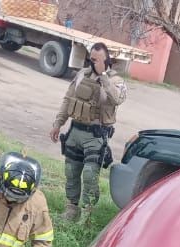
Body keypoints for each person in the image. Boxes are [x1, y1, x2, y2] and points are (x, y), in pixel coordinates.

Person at [50, 42, 127, 221]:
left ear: (107, 59)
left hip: (95, 135)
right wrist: (58, 123)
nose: (93, 62)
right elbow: (68, 99)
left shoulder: (116, 81)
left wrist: (104, 77)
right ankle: (71, 209)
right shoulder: (82, 74)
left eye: (98, 59)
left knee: (90, 175)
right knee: (71, 171)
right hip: (75, 131)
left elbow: (117, 99)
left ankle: (86, 215)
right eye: (92, 59)